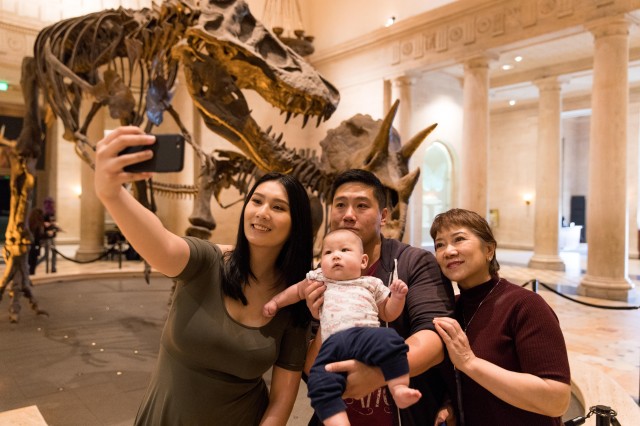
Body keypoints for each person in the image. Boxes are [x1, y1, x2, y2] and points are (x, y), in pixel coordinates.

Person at [94, 126, 314, 426]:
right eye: (256, 201)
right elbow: (163, 244)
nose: (262, 212)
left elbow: (281, 401)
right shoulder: (207, 261)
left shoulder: (292, 300)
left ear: (296, 225)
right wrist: (112, 193)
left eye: (278, 207)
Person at [304, 169, 456, 426]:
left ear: (383, 216)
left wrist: (377, 374)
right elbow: (310, 368)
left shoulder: (413, 263)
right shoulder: (321, 275)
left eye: (362, 205)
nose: (348, 215)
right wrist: (326, 316)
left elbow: (434, 340)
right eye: (340, 205)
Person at [264, 228, 422, 425]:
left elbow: (388, 313)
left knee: (392, 341)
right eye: (328, 252)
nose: (336, 255)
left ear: (363, 261)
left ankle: (399, 388)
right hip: (332, 345)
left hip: (367, 338)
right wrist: (276, 303)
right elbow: (295, 292)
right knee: (318, 382)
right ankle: (337, 422)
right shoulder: (319, 279)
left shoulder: (370, 283)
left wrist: (397, 298)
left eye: (345, 250)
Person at [430, 208, 571, 425]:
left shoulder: (525, 305)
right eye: (440, 244)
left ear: (489, 250)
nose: (448, 251)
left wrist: (470, 362)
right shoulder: (452, 309)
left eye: (459, 239)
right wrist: (451, 404)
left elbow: (556, 400)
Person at [27, 207, 45, 275]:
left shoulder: (29, 222)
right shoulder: (37, 225)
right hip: (34, 245)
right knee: (33, 261)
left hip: (30, 245)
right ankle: (31, 273)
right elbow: (38, 236)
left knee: (30, 261)